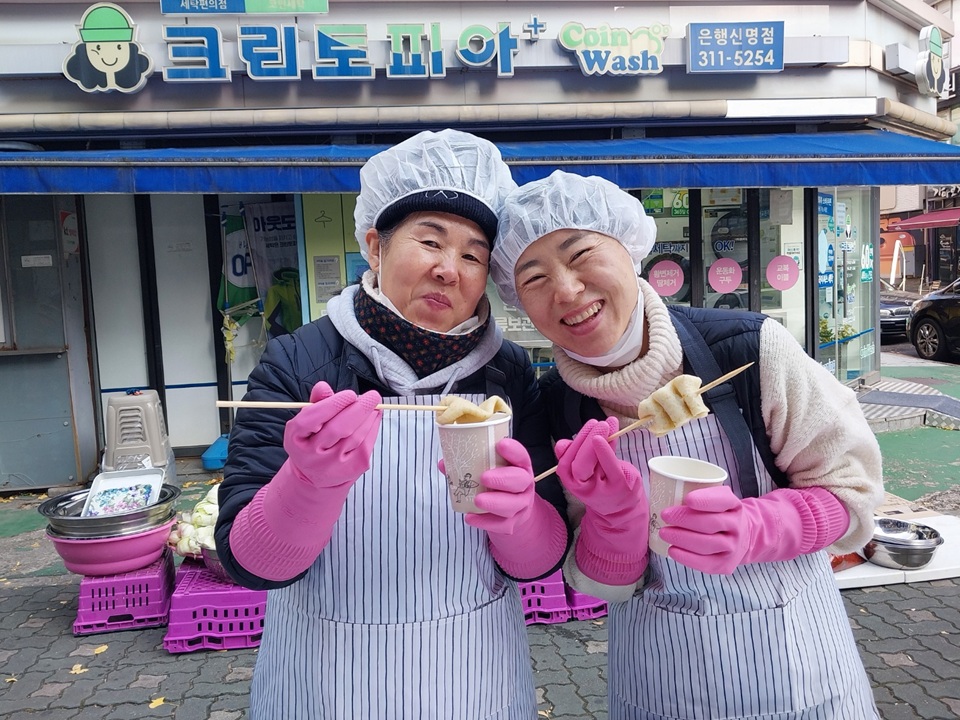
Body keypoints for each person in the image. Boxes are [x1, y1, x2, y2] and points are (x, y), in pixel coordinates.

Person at [489, 170, 885, 719]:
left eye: (581, 254)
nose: (567, 290)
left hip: (802, 675)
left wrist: (758, 527)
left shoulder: (748, 349)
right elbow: (603, 584)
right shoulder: (560, 406)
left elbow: (852, 494)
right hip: (659, 683)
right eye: (533, 278)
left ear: (630, 250)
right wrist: (615, 518)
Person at [215, 130, 570, 719]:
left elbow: (537, 563)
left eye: (473, 255)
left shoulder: (508, 373)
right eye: (429, 241)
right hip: (325, 682)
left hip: (473, 677)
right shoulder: (298, 363)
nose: (449, 270)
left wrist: (521, 516)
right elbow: (249, 563)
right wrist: (308, 484)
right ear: (375, 247)